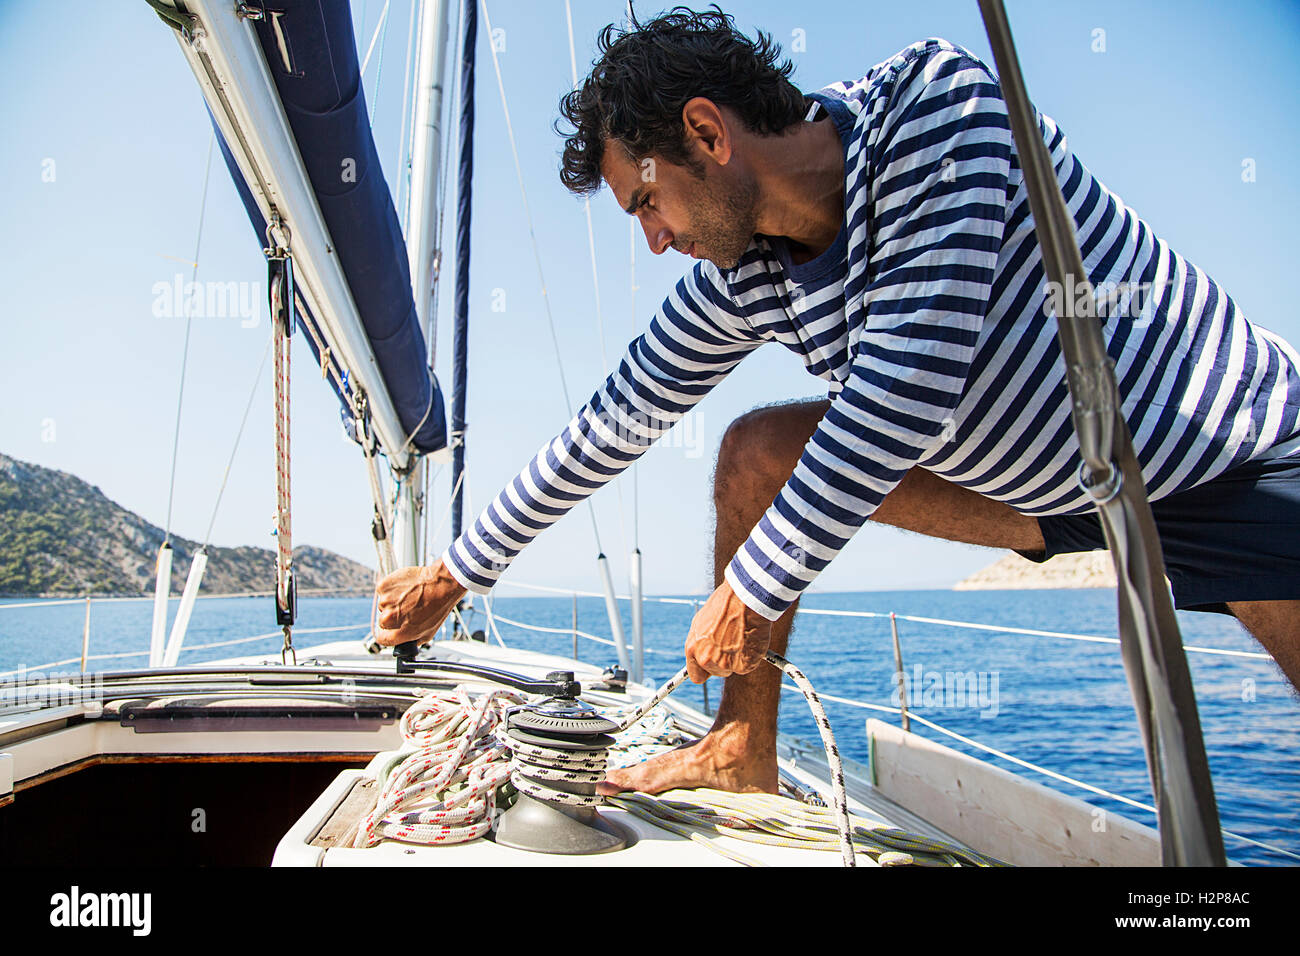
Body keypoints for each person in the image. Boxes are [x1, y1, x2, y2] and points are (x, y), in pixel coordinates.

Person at [374, 7, 1300, 796]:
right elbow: (611, 421)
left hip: (1223, 459)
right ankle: (742, 747)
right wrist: (456, 574)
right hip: (1043, 499)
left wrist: (752, 584)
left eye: (645, 204)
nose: (654, 241)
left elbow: (905, 395)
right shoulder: (749, 271)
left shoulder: (938, 109)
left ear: (707, 132)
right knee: (753, 452)